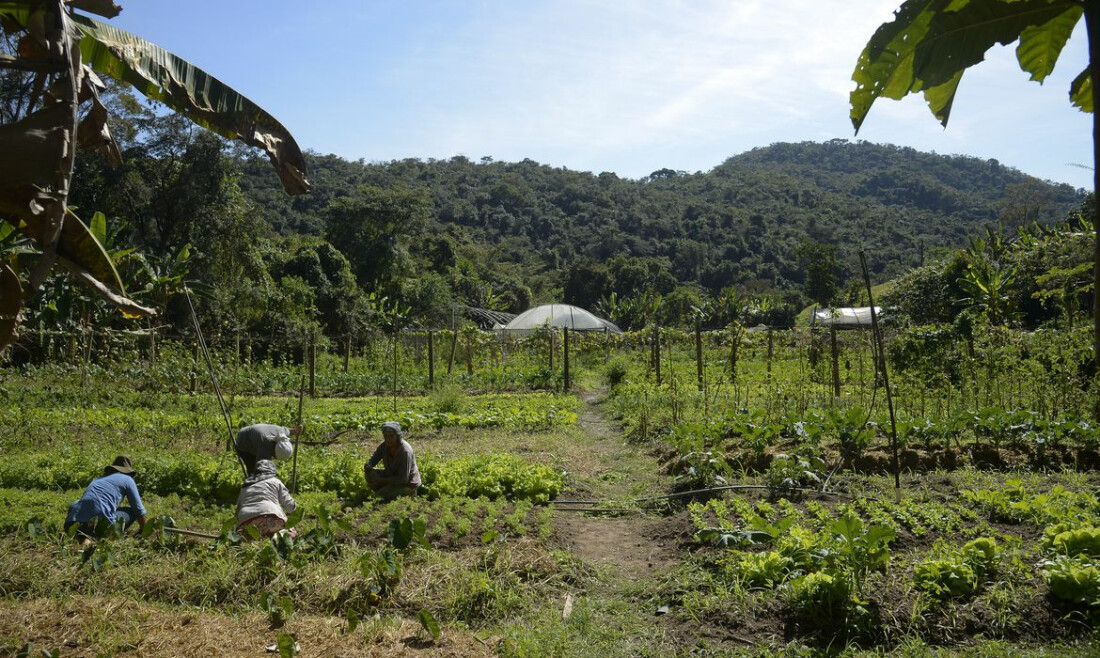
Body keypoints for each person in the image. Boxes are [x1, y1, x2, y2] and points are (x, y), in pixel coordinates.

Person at [64, 455, 147, 538]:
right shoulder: (127, 479)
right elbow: (138, 509)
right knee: (131, 511)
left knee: (76, 503)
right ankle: (105, 535)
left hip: (72, 526)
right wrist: (144, 531)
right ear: (128, 472)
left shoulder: (98, 479)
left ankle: (81, 537)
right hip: (99, 527)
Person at [235, 460, 297, 537]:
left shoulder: (245, 487)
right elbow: (290, 506)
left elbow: (237, 512)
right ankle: (276, 536)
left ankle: (252, 537)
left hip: (245, 522)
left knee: (251, 535)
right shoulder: (275, 482)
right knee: (290, 532)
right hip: (269, 516)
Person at [364, 421, 421, 500]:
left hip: (407, 484)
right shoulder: (384, 446)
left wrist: (382, 481)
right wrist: (369, 465)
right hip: (391, 475)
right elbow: (374, 459)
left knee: (378, 497)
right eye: (386, 436)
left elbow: (403, 479)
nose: (388, 439)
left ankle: (408, 493)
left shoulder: (405, 452)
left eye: (391, 436)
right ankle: (385, 490)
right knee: (370, 474)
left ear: (398, 436)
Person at [234, 423, 301, 475]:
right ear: (274, 452)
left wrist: (295, 431)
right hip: (243, 440)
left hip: (255, 435)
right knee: (253, 470)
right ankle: (253, 488)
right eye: (274, 456)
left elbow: (289, 431)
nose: (274, 458)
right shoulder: (264, 445)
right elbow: (261, 467)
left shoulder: (281, 435)